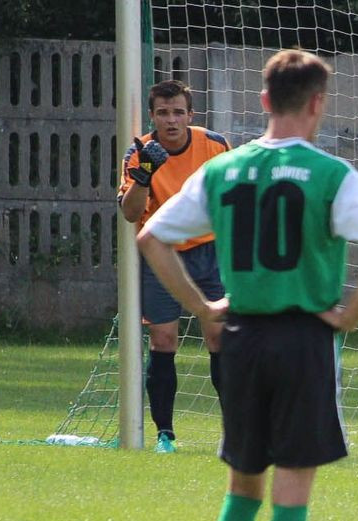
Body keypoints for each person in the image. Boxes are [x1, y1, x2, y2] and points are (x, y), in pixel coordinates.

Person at [136, 49, 358, 521]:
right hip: (304, 341)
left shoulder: (225, 168)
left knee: (242, 488)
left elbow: (151, 236)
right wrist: (349, 317)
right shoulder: (331, 174)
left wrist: (204, 308)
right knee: (292, 494)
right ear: (317, 104)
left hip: (242, 339)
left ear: (263, 101)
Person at [119, 80, 231, 453]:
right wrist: (144, 176)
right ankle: (164, 434)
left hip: (209, 251)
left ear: (190, 115)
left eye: (178, 112)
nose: (171, 120)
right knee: (163, 339)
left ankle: (235, 428)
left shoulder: (214, 145)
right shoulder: (139, 152)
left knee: (219, 337)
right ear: (152, 116)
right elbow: (130, 213)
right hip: (161, 253)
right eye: (163, 113)